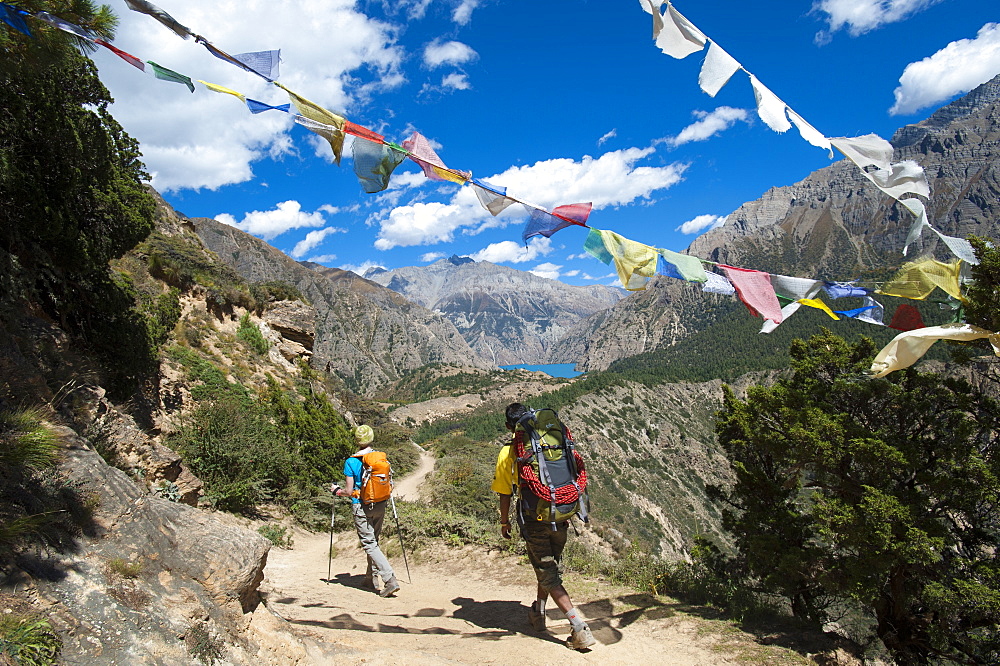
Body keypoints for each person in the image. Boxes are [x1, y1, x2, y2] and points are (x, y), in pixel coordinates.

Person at [492, 403, 596, 651]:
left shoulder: (510, 452)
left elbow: (505, 493)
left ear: (510, 426)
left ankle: (579, 627)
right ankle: (538, 613)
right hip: (561, 510)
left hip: (534, 516)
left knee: (546, 569)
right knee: (548, 566)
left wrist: (504, 521)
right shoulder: (552, 443)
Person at [331, 424, 400, 598]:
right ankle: (371, 578)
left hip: (361, 505)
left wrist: (336, 491)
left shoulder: (351, 461)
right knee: (374, 541)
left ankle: (390, 579)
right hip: (379, 503)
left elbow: (348, 490)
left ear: (357, 440)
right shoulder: (380, 458)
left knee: (369, 543)